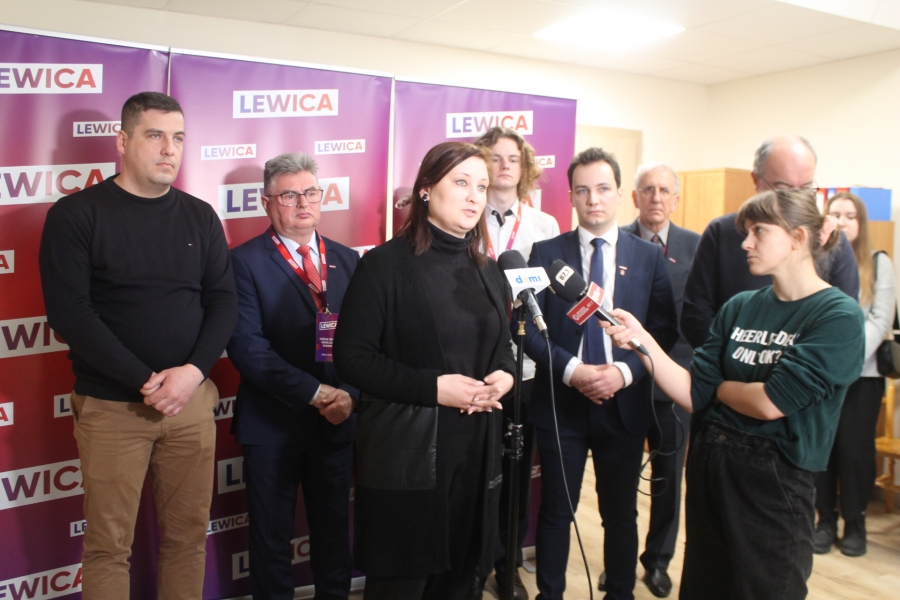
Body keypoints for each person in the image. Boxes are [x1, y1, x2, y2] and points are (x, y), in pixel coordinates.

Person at [603, 189, 865, 599]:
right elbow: (694, 393)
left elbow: (770, 402)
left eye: (759, 231)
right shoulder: (740, 306)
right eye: (746, 232)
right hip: (711, 470)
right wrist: (642, 340)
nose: (746, 243)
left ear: (798, 238)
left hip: (775, 485)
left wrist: (719, 390)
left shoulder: (837, 315)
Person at [38, 91, 237, 599]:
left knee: (188, 538)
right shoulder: (77, 214)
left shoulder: (200, 216)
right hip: (113, 408)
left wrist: (192, 374)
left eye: (178, 138)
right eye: (155, 135)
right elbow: (69, 314)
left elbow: (223, 302)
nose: (169, 149)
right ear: (123, 142)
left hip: (190, 404)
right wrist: (146, 382)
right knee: (109, 547)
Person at [333, 141, 516, 600]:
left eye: (481, 187)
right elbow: (352, 358)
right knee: (403, 582)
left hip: (478, 450)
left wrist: (506, 375)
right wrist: (434, 388)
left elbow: (503, 350)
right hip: (410, 452)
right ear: (426, 190)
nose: (474, 196)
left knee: (462, 578)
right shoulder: (384, 266)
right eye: (461, 182)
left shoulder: (490, 270)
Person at [522, 147, 678, 600]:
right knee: (557, 511)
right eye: (583, 190)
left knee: (620, 514)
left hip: (623, 406)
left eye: (603, 189)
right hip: (562, 404)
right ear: (571, 196)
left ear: (620, 194)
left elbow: (663, 332)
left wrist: (624, 373)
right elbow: (526, 328)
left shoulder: (648, 257)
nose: (593, 199)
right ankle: (550, 594)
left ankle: (621, 592)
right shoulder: (545, 253)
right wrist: (572, 371)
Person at [226, 152, 359, 599]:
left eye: (311, 192)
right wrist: (317, 394)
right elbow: (247, 348)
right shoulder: (242, 262)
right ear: (266, 202)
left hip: (338, 421)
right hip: (272, 423)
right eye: (289, 195)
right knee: (271, 538)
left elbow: (368, 343)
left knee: (334, 532)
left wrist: (349, 395)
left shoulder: (349, 260)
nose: (303, 203)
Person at [472, 126, 560, 600]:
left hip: (526, 370)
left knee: (517, 476)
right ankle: (473, 564)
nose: (504, 165)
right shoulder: (465, 216)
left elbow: (550, 300)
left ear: (524, 168)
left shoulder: (545, 226)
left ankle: (507, 567)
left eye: (513, 158)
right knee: (474, 473)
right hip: (475, 368)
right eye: (495, 157)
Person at [681, 135, 859, 349]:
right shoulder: (722, 233)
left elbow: (842, 328)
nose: (796, 198)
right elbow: (696, 315)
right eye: (783, 188)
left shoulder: (831, 240)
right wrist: (732, 361)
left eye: (805, 188)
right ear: (756, 180)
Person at [616, 162, 699, 598]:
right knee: (621, 478)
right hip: (625, 378)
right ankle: (620, 563)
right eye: (648, 189)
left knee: (668, 477)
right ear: (634, 197)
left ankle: (658, 561)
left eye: (665, 190)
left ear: (676, 199)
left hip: (675, 379)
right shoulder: (617, 241)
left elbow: (700, 314)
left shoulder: (695, 246)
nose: (656, 197)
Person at [813, 192, 895, 557]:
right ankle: (825, 520)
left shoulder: (879, 261)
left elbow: (881, 318)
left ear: (861, 223)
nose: (843, 222)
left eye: (850, 215)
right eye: (835, 214)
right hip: (822, 374)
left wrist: (847, 358)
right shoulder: (818, 259)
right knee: (824, 447)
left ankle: (855, 522)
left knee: (854, 451)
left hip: (863, 374)